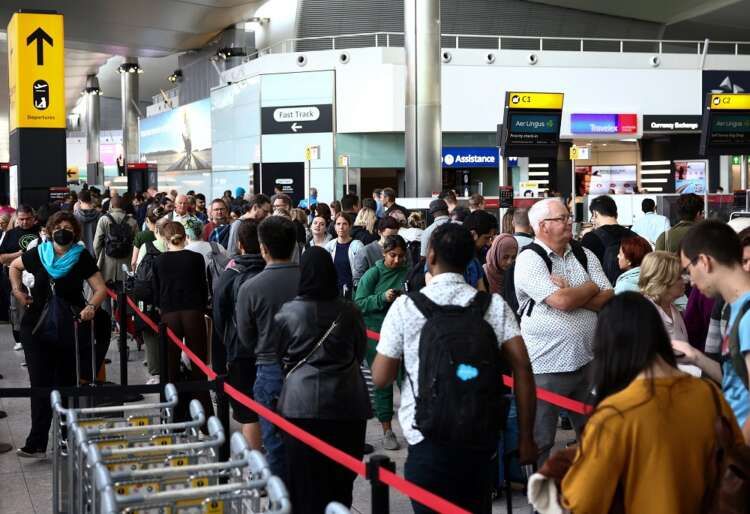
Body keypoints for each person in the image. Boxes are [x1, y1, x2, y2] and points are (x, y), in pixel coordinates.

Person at [372, 223, 537, 514]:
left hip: (426, 438)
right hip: (479, 438)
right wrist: (525, 438)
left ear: (431, 257)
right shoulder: (493, 306)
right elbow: (523, 368)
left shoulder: (406, 307)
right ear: (470, 260)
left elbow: (381, 377)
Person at [555, 292, 743, 514]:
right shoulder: (709, 394)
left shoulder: (613, 415)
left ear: (607, 346)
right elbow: (737, 458)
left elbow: (581, 501)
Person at [514, 198, 612, 464]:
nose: (570, 222)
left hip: (587, 361)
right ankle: (540, 488)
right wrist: (589, 287)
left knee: (594, 434)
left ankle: (592, 484)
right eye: (562, 218)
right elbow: (562, 302)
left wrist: (571, 290)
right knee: (541, 439)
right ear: (542, 226)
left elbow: (608, 296)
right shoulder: (530, 259)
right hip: (545, 366)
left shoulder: (583, 254)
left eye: (568, 217)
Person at [274, 247, 370, 512]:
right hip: (347, 404)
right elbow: (359, 352)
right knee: (341, 479)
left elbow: (279, 356)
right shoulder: (350, 312)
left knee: (302, 480)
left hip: (299, 405)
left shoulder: (287, 313)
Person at [9, 211, 107, 457]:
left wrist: (91, 307)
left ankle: (66, 437)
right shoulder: (38, 254)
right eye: (59, 227)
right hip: (36, 327)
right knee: (39, 383)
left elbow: (100, 289)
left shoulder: (81, 256)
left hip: (70, 326)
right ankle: (37, 442)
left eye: (69, 228)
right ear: (50, 230)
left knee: (66, 382)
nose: (63, 231)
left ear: (75, 233)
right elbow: (14, 266)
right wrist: (18, 291)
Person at [236, 216, 301, 480]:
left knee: (274, 442)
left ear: (263, 248)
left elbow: (246, 336)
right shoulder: (309, 280)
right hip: (310, 369)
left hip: (269, 366)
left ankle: (279, 494)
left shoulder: (250, 287)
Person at [676, 221, 750, 442]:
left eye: (687, 270)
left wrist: (736, 453)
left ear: (704, 262)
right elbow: (737, 378)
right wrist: (695, 356)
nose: (690, 281)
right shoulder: (735, 308)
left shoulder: (747, 315)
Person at [153, 221, 214, 422]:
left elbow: (156, 291)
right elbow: (203, 286)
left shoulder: (159, 261)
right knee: (199, 368)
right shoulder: (196, 258)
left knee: (169, 370)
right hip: (193, 313)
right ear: (185, 236)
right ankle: (205, 419)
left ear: (164, 238)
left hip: (169, 315)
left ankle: (171, 417)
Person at [212, 220, 264, 450]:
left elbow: (219, 316)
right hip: (274, 349)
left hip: (240, 349)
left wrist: (224, 349)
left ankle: (255, 462)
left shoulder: (230, 274)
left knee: (248, 410)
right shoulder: (273, 270)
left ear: (240, 244)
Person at [354, 235, 409, 450]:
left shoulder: (407, 272)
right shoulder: (373, 274)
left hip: (404, 335)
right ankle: (387, 430)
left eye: (401, 256)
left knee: (408, 382)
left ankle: (412, 428)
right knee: (383, 385)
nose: (396, 260)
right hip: (377, 335)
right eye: (392, 255)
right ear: (384, 253)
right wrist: (381, 298)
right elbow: (358, 303)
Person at [580, 195, 635, 284]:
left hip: (603, 290)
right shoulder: (635, 237)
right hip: (632, 289)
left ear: (595, 213)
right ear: (616, 214)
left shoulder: (591, 238)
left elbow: (583, 272)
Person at [639, 252, 689, 342]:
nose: (685, 280)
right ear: (663, 281)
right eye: (679, 277)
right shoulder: (645, 314)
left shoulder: (671, 308)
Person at [93, 195, 138, 286]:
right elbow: (137, 243)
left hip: (107, 262)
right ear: (123, 206)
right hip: (126, 261)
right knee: (124, 290)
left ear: (111, 205)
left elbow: (97, 243)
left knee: (107, 290)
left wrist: (99, 256)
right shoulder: (133, 221)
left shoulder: (104, 219)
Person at [352, 217, 401, 286]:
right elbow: (357, 281)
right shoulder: (365, 252)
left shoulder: (402, 251)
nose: (392, 240)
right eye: (388, 237)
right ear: (379, 232)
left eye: (395, 237)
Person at [324, 212, 364, 297]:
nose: (341, 227)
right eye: (338, 224)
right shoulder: (329, 246)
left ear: (350, 226)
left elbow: (362, 271)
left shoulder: (357, 246)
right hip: (333, 291)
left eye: (344, 224)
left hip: (352, 291)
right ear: (334, 226)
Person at [462, 210, 497, 290]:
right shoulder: (468, 260)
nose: (489, 243)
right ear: (473, 234)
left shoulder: (475, 256)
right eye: (486, 238)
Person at [130, 205, 162, 271]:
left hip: (145, 273)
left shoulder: (140, 236)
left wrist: (135, 273)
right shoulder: (167, 235)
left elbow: (134, 262)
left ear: (147, 220)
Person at [73, 189, 100, 257]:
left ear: (79, 201)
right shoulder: (100, 215)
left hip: (79, 253)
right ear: (90, 199)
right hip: (96, 253)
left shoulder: (74, 216)